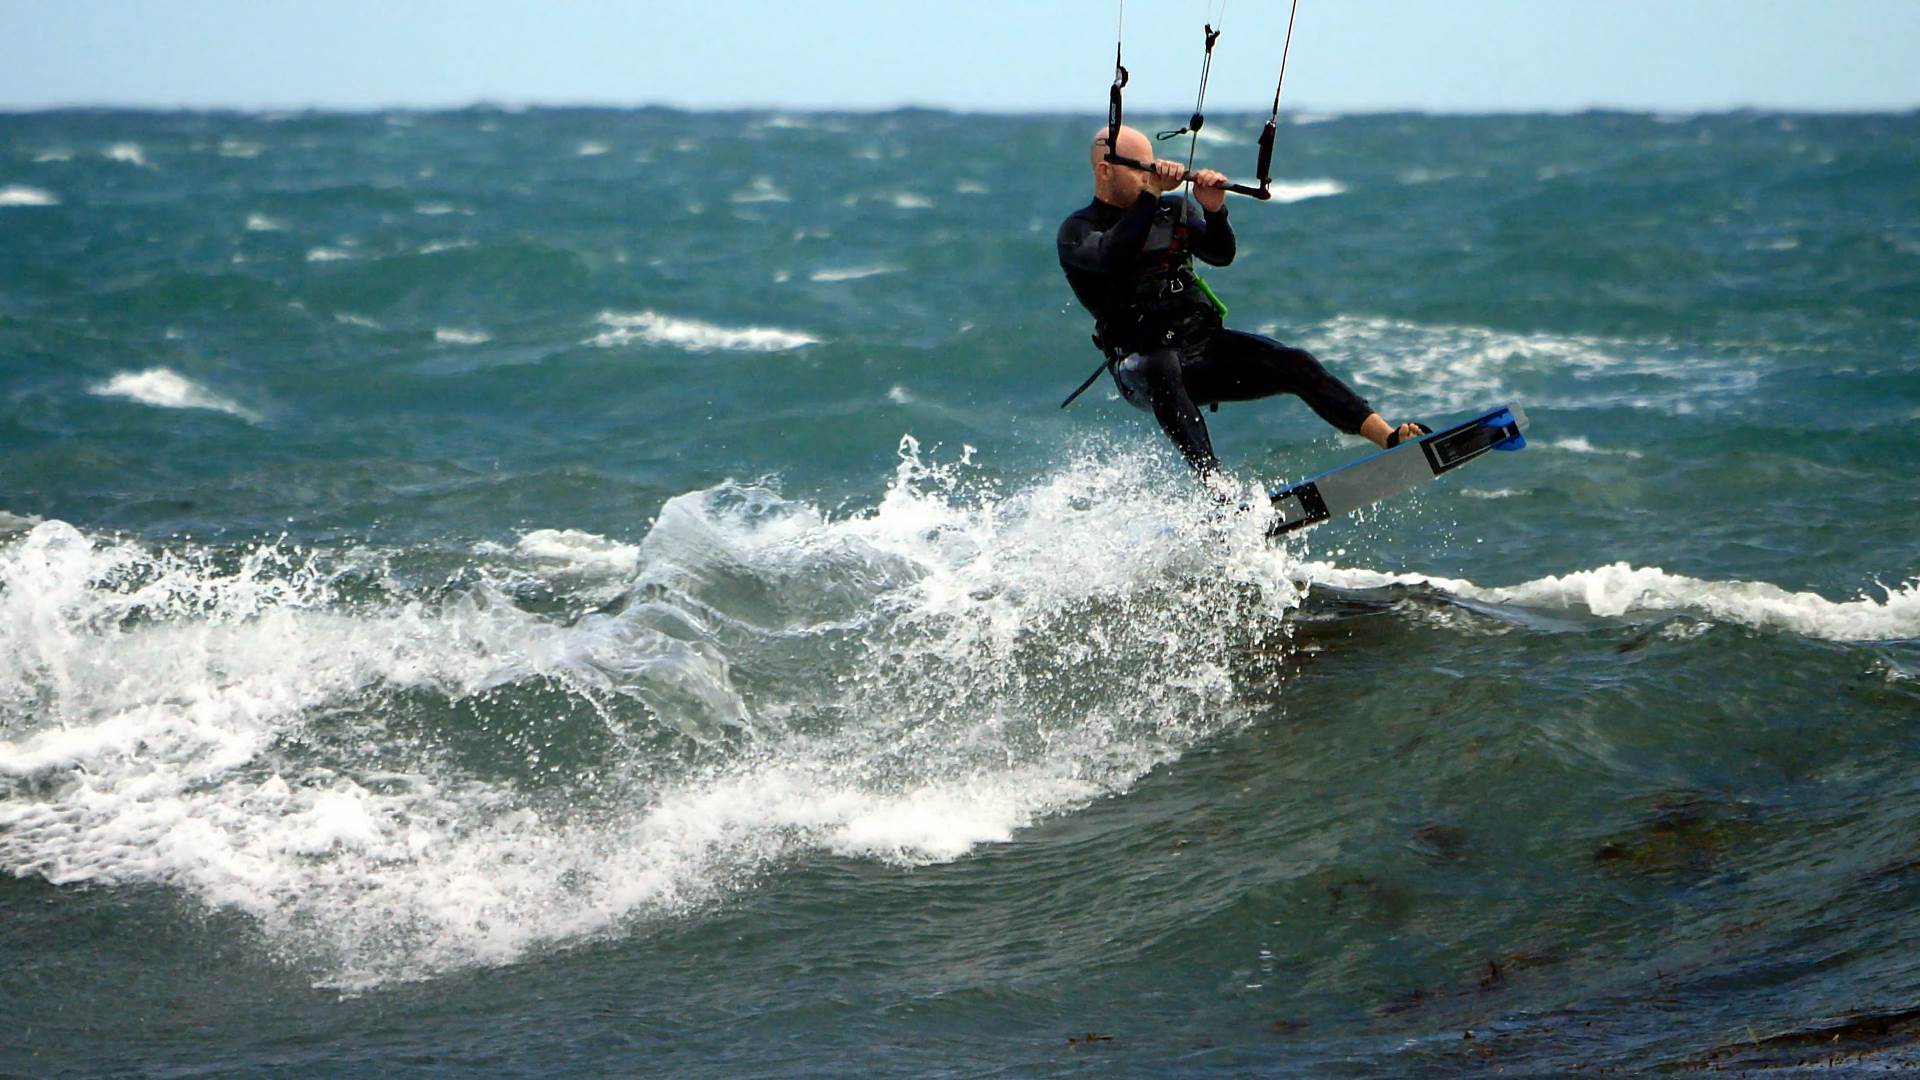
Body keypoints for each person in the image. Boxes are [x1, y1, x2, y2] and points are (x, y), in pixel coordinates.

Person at [1057, 124, 1426, 482]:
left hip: (1200, 351)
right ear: (1105, 171)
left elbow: (1221, 254)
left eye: (1151, 166)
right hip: (1140, 366)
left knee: (1294, 362)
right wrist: (1151, 194)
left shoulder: (1171, 210)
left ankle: (1389, 437)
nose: (1149, 175)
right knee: (1160, 363)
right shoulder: (1078, 230)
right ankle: (1215, 487)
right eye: (1140, 168)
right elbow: (1113, 256)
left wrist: (1214, 211)